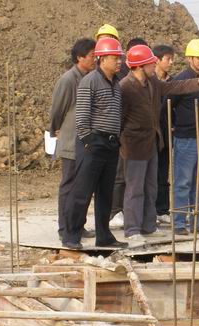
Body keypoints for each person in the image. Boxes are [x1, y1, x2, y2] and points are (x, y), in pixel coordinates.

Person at [120, 45, 199, 243]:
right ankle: (132, 229)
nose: (154, 65)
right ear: (139, 66)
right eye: (150, 63)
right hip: (134, 145)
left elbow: (173, 87)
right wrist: (122, 143)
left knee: (150, 187)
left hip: (152, 143)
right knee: (135, 189)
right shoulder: (125, 87)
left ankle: (148, 226)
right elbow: (119, 119)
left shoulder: (152, 82)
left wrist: (197, 82)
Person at [63, 38, 127, 249]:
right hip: (93, 143)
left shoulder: (116, 83)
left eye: (119, 58)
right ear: (102, 59)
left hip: (111, 144)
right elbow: (82, 115)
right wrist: (88, 141)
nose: (119, 62)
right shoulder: (89, 81)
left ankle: (104, 236)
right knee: (82, 191)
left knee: (105, 193)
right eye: (115, 58)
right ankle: (71, 236)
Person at [49, 38, 96, 242]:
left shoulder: (92, 78)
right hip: (70, 141)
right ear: (80, 57)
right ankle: (64, 227)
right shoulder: (68, 80)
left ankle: (78, 225)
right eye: (92, 56)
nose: (95, 59)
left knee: (83, 186)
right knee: (68, 185)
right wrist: (55, 130)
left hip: (86, 141)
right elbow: (57, 110)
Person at [171, 39, 199, 235]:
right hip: (185, 138)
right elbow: (168, 104)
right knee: (183, 182)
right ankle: (179, 223)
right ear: (190, 58)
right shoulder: (180, 80)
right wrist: (175, 125)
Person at [109, 38, 150, 229]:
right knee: (125, 181)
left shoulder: (148, 82)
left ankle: (141, 221)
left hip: (142, 142)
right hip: (128, 141)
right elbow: (120, 115)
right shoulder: (124, 84)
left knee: (140, 184)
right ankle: (121, 217)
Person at [153, 44, 176, 225]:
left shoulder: (172, 82)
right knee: (149, 174)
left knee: (163, 173)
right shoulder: (149, 81)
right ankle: (149, 211)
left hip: (167, 134)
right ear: (157, 60)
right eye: (168, 59)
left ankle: (162, 209)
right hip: (151, 135)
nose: (171, 62)